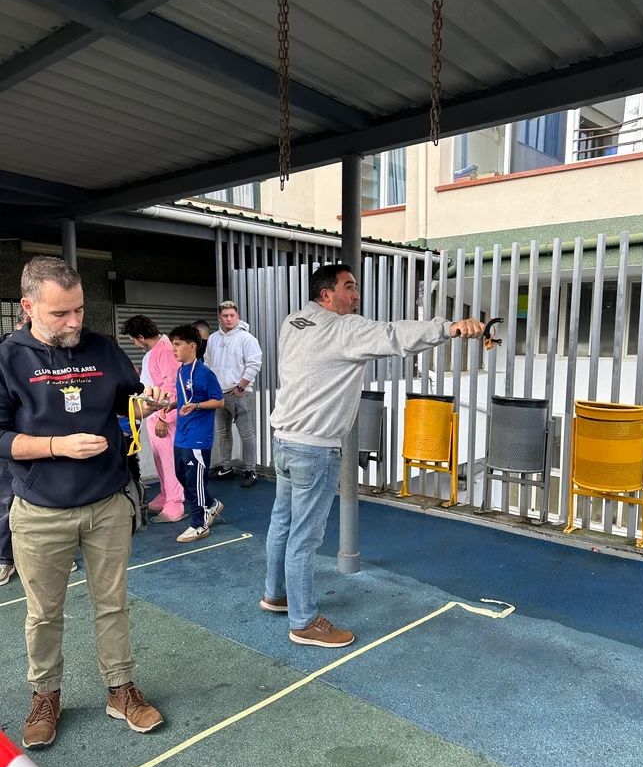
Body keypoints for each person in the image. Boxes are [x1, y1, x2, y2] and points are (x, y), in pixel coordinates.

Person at [261, 263, 495, 649]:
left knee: (282, 525)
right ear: (326, 295)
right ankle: (303, 622)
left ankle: (274, 595)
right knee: (304, 538)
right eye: (349, 287)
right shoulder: (344, 330)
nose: (356, 295)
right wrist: (449, 328)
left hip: (284, 442)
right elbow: (394, 335)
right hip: (314, 449)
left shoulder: (294, 321)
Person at [0, 256, 166, 749]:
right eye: (60, 313)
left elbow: (128, 403)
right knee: (43, 613)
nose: (74, 322)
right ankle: (46, 695)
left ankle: (121, 689)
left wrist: (149, 404)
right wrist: (56, 446)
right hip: (39, 510)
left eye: (79, 310)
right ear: (29, 307)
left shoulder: (103, 348)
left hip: (106, 502)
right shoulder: (8, 359)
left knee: (112, 604)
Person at [120, 316, 185, 523]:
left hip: (163, 414)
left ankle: (175, 502)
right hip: (153, 412)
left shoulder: (165, 350)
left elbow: (172, 387)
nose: (134, 344)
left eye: (133, 340)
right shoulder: (154, 351)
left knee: (169, 460)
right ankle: (166, 495)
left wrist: (164, 418)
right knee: (160, 459)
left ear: (141, 337)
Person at [167, 326, 225, 543]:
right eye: (172, 344)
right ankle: (211, 504)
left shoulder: (205, 373)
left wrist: (197, 406)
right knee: (182, 476)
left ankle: (199, 524)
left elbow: (219, 401)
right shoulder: (180, 371)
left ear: (192, 346)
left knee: (194, 482)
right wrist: (172, 404)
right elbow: (186, 398)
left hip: (198, 436)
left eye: (177, 344)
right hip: (181, 434)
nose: (173, 349)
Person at [205, 300, 262, 486]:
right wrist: (209, 387)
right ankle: (226, 467)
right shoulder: (213, 338)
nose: (229, 319)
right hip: (217, 395)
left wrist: (241, 387)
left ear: (237, 316)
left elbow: (255, 363)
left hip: (238, 394)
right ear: (219, 318)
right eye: (225, 316)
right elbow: (207, 363)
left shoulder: (246, 338)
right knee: (222, 433)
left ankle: (251, 470)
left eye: (232, 315)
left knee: (246, 434)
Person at [0, 307, 27, 586]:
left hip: (43, 448)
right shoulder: (5, 355)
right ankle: (5, 559)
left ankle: (56, 555)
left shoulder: (53, 356)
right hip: (9, 443)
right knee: (5, 502)